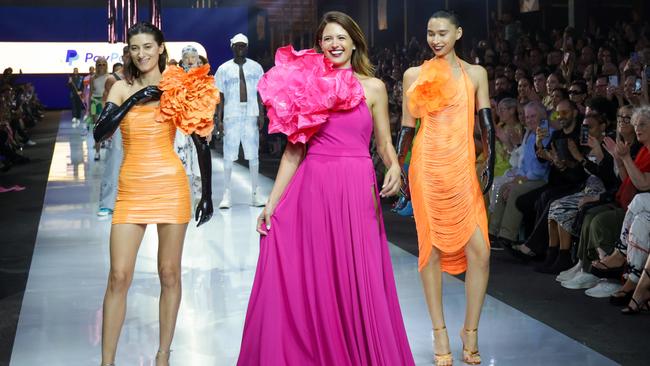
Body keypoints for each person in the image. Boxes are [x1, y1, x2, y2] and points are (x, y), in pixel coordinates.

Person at [237, 11, 414, 366]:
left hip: (356, 188)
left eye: (341, 38)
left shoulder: (374, 87)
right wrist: (271, 204)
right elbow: (293, 149)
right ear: (320, 44)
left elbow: (383, 143)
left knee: (357, 272)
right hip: (313, 187)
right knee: (317, 273)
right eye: (328, 39)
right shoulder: (306, 84)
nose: (334, 45)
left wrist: (395, 165)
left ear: (354, 42)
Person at [94, 22, 216, 366]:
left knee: (169, 273)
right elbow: (100, 133)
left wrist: (206, 192)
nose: (142, 54)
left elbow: (199, 141)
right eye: (135, 48)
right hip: (131, 186)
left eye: (148, 46)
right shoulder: (120, 87)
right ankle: (107, 362)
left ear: (161, 48)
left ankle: (163, 355)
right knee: (118, 275)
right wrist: (136, 98)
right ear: (128, 52)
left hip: (170, 183)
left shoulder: (178, 86)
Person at [398, 10, 494, 365]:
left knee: (481, 251)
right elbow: (407, 127)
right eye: (430, 33)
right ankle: (439, 333)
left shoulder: (475, 73)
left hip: (462, 166)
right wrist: (399, 168)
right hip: (427, 166)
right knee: (431, 250)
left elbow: (486, 122)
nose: (435, 40)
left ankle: (470, 331)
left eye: (442, 33)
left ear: (458, 33)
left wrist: (490, 162)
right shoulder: (414, 75)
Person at [215, 33, 265, 208]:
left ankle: (255, 193)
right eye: (237, 45)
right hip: (232, 113)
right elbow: (219, 96)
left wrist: (262, 114)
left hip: (251, 112)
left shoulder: (256, 68)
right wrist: (218, 119)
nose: (240, 48)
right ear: (232, 47)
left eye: (243, 45)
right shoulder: (223, 69)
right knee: (229, 155)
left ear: (247, 47)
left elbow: (261, 93)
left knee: (253, 154)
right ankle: (226, 194)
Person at [97, 47, 129, 217]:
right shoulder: (113, 79)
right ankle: (107, 203)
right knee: (114, 162)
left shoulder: (143, 76)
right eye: (129, 53)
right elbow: (105, 103)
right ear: (124, 56)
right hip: (118, 126)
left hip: (140, 125)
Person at [89, 57, 109, 160]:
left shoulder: (109, 77)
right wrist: (89, 109)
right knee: (96, 127)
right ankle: (97, 152)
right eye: (99, 64)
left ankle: (104, 140)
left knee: (105, 127)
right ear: (96, 66)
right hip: (94, 103)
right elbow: (91, 93)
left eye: (103, 64)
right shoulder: (93, 78)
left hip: (105, 103)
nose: (101, 66)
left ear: (106, 65)